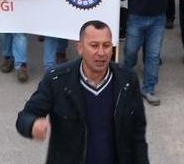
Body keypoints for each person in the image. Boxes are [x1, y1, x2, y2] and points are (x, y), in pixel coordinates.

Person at [16, 21, 149, 164]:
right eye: (94, 45)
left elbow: (137, 133)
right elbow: (25, 117)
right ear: (80, 48)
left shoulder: (127, 81)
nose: (101, 52)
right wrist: (32, 125)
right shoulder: (56, 80)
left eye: (106, 45)